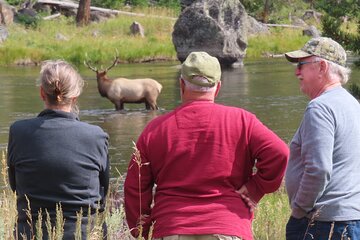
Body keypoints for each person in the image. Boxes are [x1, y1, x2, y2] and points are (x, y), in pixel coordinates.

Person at [124, 51, 289, 240]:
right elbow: (280, 153)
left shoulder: (154, 130)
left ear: (181, 84)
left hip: (171, 228)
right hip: (228, 228)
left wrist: (142, 232)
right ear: (217, 87)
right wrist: (256, 188)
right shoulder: (243, 120)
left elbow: (135, 187)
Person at [7, 60, 110, 239]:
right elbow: (103, 191)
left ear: (42, 93)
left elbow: (15, 185)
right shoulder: (96, 136)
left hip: (31, 234)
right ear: (75, 96)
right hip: (83, 234)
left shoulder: (18, 132)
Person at [284, 37, 360, 239]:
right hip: (349, 221)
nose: (296, 72)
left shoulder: (320, 108)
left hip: (324, 225)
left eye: (301, 65)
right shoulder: (353, 105)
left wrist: (299, 210)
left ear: (322, 67)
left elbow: (319, 169)